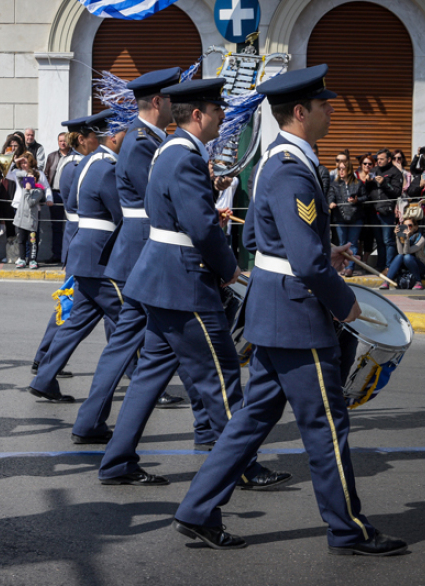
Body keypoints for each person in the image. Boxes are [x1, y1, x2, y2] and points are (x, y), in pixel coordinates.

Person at [170, 65, 406, 557]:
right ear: (300, 112)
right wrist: (346, 305)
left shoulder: (276, 162)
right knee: (325, 424)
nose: (330, 110)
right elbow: (304, 262)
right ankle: (347, 530)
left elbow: (260, 240)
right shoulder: (293, 169)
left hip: (274, 307)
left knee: (252, 421)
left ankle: (196, 510)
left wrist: (322, 249)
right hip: (298, 315)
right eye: (324, 105)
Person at [98, 77, 288, 490]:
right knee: (222, 377)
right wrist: (229, 269)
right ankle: (243, 465)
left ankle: (116, 461)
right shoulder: (184, 156)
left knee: (149, 375)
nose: (224, 116)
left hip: (161, 276)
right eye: (217, 109)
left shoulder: (171, 150)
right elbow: (201, 227)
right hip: (183, 281)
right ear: (198, 115)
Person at [72, 67, 189, 444]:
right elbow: (156, 198)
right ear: (158, 102)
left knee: (133, 344)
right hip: (142, 250)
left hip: (139, 249)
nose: (177, 106)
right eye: (172, 99)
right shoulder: (141, 142)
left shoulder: (146, 138)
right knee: (139, 343)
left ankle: (92, 423)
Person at [28, 110, 126, 402]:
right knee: (131, 322)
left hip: (86, 251)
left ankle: (45, 377)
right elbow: (121, 214)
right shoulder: (104, 165)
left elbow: (73, 204)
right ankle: (149, 383)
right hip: (99, 255)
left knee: (76, 323)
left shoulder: (87, 164)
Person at [29, 116, 95, 378]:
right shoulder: (76, 165)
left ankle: (44, 357)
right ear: (82, 139)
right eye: (95, 137)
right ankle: (45, 357)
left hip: (79, 239)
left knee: (72, 304)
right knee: (69, 304)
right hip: (82, 239)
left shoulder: (72, 164)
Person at [11, 151, 52, 269]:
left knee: (33, 240)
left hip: (32, 219)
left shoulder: (37, 191)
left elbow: (30, 202)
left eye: (30, 179)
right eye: (26, 179)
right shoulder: (22, 180)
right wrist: (16, 161)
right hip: (20, 217)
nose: (27, 181)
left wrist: (28, 189)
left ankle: (32, 259)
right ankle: (22, 258)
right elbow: (15, 174)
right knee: (21, 239)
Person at [327, 159, 366, 277]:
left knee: (353, 243)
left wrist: (357, 200)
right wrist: (331, 203)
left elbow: (366, 197)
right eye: (339, 169)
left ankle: (350, 268)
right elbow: (330, 196)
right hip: (340, 217)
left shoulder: (358, 183)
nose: (341, 171)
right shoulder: (334, 184)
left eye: (343, 168)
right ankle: (342, 266)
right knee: (342, 243)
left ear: (349, 169)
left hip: (356, 217)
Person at [368, 148, 403, 272]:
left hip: (386, 211)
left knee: (388, 241)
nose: (379, 162)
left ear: (389, 159)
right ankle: (380, 265)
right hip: (374, 211)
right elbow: (368, 188)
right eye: (377, 159)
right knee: (379, 241)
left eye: (381, 159)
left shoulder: (395, 172)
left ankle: (389, 266)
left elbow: (397, 192)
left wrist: (384, 183)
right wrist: (367, 181)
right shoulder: (374, 170)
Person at [42, 132, 71, 263]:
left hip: (70, 195)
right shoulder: (52, 156)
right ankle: (57, 255)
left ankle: (69, 256)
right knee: (56, 226)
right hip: (55, 194)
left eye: (64, 141)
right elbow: (46, 174)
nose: (62, 143)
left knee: (72, 225)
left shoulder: (75, 156)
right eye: (60, 141)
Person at [380, 218, 425, 290]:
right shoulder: (401, 237)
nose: (407, 228)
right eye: (404, 226)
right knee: (399, 256)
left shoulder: (421, 239)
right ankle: (387, 282)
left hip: (418, 267)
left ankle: (418, 281)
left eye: (409, 226)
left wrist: (406, 239)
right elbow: (401, 252)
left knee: (407, 257)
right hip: (405, 267)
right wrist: (397, 237)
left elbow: (407, 252)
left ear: (415, 227)